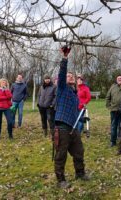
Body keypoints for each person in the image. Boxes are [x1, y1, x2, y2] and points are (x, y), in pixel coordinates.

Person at [53, 46, 89, 189]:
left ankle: (80, 173)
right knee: (61, 154)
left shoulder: (74, 94)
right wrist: (65, 58)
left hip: (73, 127)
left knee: (79, 151)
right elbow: (62, 74)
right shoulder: (62, 88)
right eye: (69, 76)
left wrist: (81, 108)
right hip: (62, 126)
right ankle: (60, 179)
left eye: (72, 76)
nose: (71, 77)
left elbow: (74, 109)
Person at [106, 75, 121, 147]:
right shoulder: (113, 87)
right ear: (116, 80)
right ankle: (113, 141)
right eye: (118, 78)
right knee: (113, 126)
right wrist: (109, 106)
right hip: (114, 110)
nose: (119, 79)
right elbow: (108, 97)